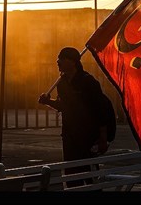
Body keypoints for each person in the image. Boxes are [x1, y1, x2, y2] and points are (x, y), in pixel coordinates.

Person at [38, 47, 108, 188]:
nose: (58, 61)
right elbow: (64, 107)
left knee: (90, 176)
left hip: (88, 136)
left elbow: (101, 112)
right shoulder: (62, 84)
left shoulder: (89, 82)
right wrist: (48, 102)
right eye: (58, 58)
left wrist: (103, 138)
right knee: (71, 175)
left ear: (73, 61)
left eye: (62, 58)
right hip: (69, 136)